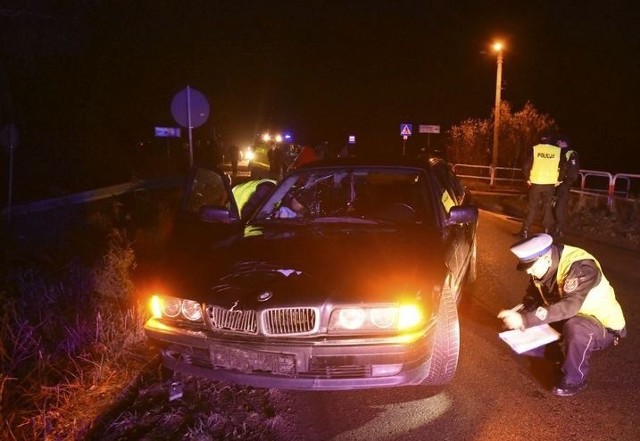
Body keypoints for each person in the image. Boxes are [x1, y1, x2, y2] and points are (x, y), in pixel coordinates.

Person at [497, 233, 626, 396]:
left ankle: (574, 378)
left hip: (603, 326)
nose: (530, 272)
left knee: (575, 327)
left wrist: (525, 319)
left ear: (545, 258)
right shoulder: (543, 266)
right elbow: (533, 297)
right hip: (573, 316)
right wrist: (519, 316)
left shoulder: (581, 267)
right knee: (522, 326)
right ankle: (558, 355)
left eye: (532, 267)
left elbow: (568, 307)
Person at [516, 135, 566, 238]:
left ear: (541, 141)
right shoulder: (557, 151)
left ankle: (525, 230)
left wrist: (527, 178)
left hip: (536, 182)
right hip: (550, 183)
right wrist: (559, 180)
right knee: (547, 207)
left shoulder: (535, 149)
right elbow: (563, 167)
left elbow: (526, 166)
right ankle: (546, 230)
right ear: (550, 141)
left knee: (532, 206)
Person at [553, 135, 580, 238]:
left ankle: (559, 230)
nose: (557, 144)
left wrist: (565, 183)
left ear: (564, 143)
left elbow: (573, 172)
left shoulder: (571, 154)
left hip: (564, 184)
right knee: (555, 207)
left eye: (559, 142)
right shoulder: (562, 153)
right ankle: (556, 228)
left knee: (560, 207)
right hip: (558, 183)